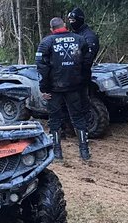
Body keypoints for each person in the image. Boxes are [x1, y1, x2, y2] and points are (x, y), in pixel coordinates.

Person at [36, 17, 91, 161]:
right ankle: (85, 152)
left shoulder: (46, 43)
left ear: (51, 29)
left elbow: (42, 67)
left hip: (54, 89)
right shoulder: (79, 39)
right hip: (75, 87)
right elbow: (87, 62)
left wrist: (44, 88)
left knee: (54, 119)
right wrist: (83, 81)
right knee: (78, 117)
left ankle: (57, 153)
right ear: (65, 25)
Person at [67, 7, 100, 126]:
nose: (71, 22)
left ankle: (84, 129)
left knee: (81, 103)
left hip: (81, 76)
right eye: (70, 20)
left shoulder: (89, 37)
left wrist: (75, 70)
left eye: (73, 20)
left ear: (79, 20)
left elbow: (87, 60)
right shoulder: (73, 35)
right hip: (70, 76)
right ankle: (69, 126)